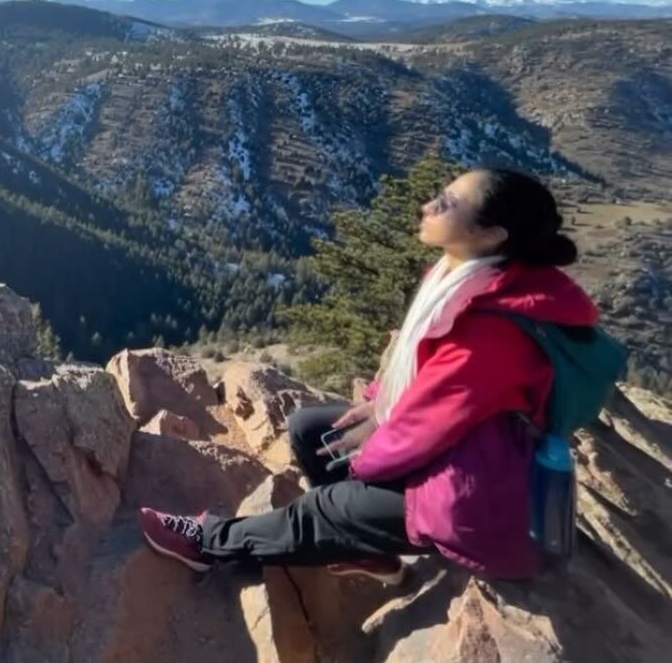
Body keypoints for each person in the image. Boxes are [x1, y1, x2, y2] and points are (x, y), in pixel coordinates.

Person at [139, 167, 598, 584]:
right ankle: (369, 550)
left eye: (448, 204)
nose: (429, 206)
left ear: (492, 234)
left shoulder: (490, 330)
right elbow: (418, 368)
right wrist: (379, 403)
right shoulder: (466, 280)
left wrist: (364, 465)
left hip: (477, 494)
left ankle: (209, 543)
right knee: (312, 430)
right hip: (464, 450)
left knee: (326, 504)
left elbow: (423, 427)